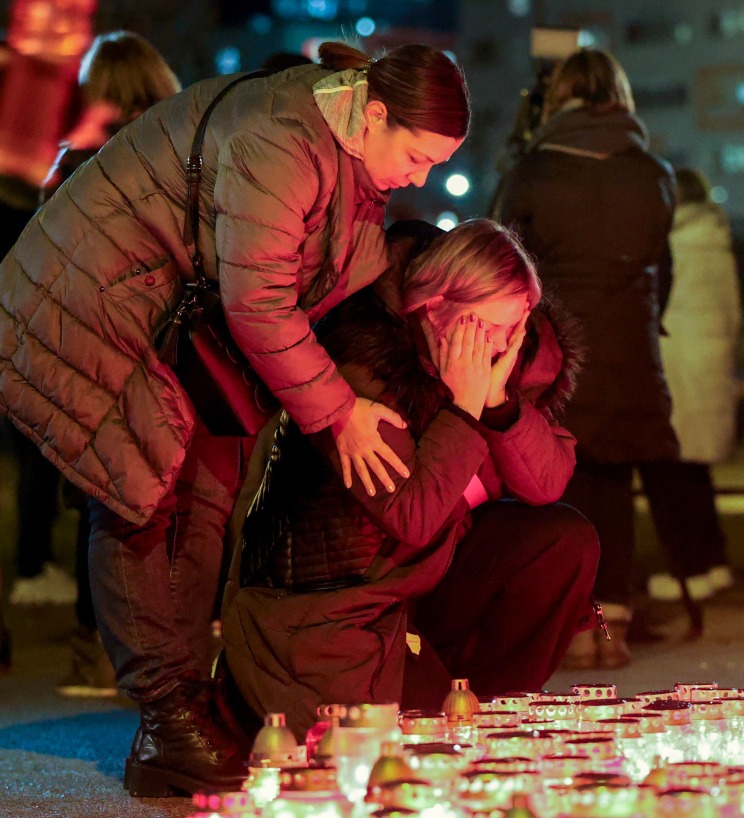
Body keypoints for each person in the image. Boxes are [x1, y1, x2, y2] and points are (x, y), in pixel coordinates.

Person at [0, 42, 469, 796]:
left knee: (205, 493)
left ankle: (187, 701)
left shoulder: (344, 141)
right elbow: (259, 303)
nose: (422, 178)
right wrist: (338, 411)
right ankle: (166, 720)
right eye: (416, 157)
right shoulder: (282, 141)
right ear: (375, 114)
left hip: (159, 312)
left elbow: (338, 269)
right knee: (141, 496)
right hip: (83, 303)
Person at [223, 219, 598, 736]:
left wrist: (499, 406)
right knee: (401, 754)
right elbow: (412, 516)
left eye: (516, 327)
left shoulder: (509, 364)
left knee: (562, 538)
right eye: (483, 327)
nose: (500, 345)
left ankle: (489, 703)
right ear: (432, 309)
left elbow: (546, 484)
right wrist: (464, 411)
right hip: (339, 605)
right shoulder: (366, 369)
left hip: (425, 586)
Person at [494, 48, 678, 669]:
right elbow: (664, 267)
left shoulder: (534, 170)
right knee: (617, 486)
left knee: (556, 483)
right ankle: (613, 625)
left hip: (557, 347)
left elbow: (501, 256)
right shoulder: (652, 171)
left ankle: (573, 622)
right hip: (629, 347)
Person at [21, 30, 182, 698]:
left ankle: (100, 650)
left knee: (103, 506)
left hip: (84, 350)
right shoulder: (174, 157)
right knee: (169, 507)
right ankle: (159, 651)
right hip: (164, 350)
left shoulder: (73, 163)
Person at [646, 167, 739, 602]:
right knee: (697, 473)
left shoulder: (671, 245)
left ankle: (689, 570)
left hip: (675, 367)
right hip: (710, 369)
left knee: (668, 471)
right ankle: (715, 562)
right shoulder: (717, 240)